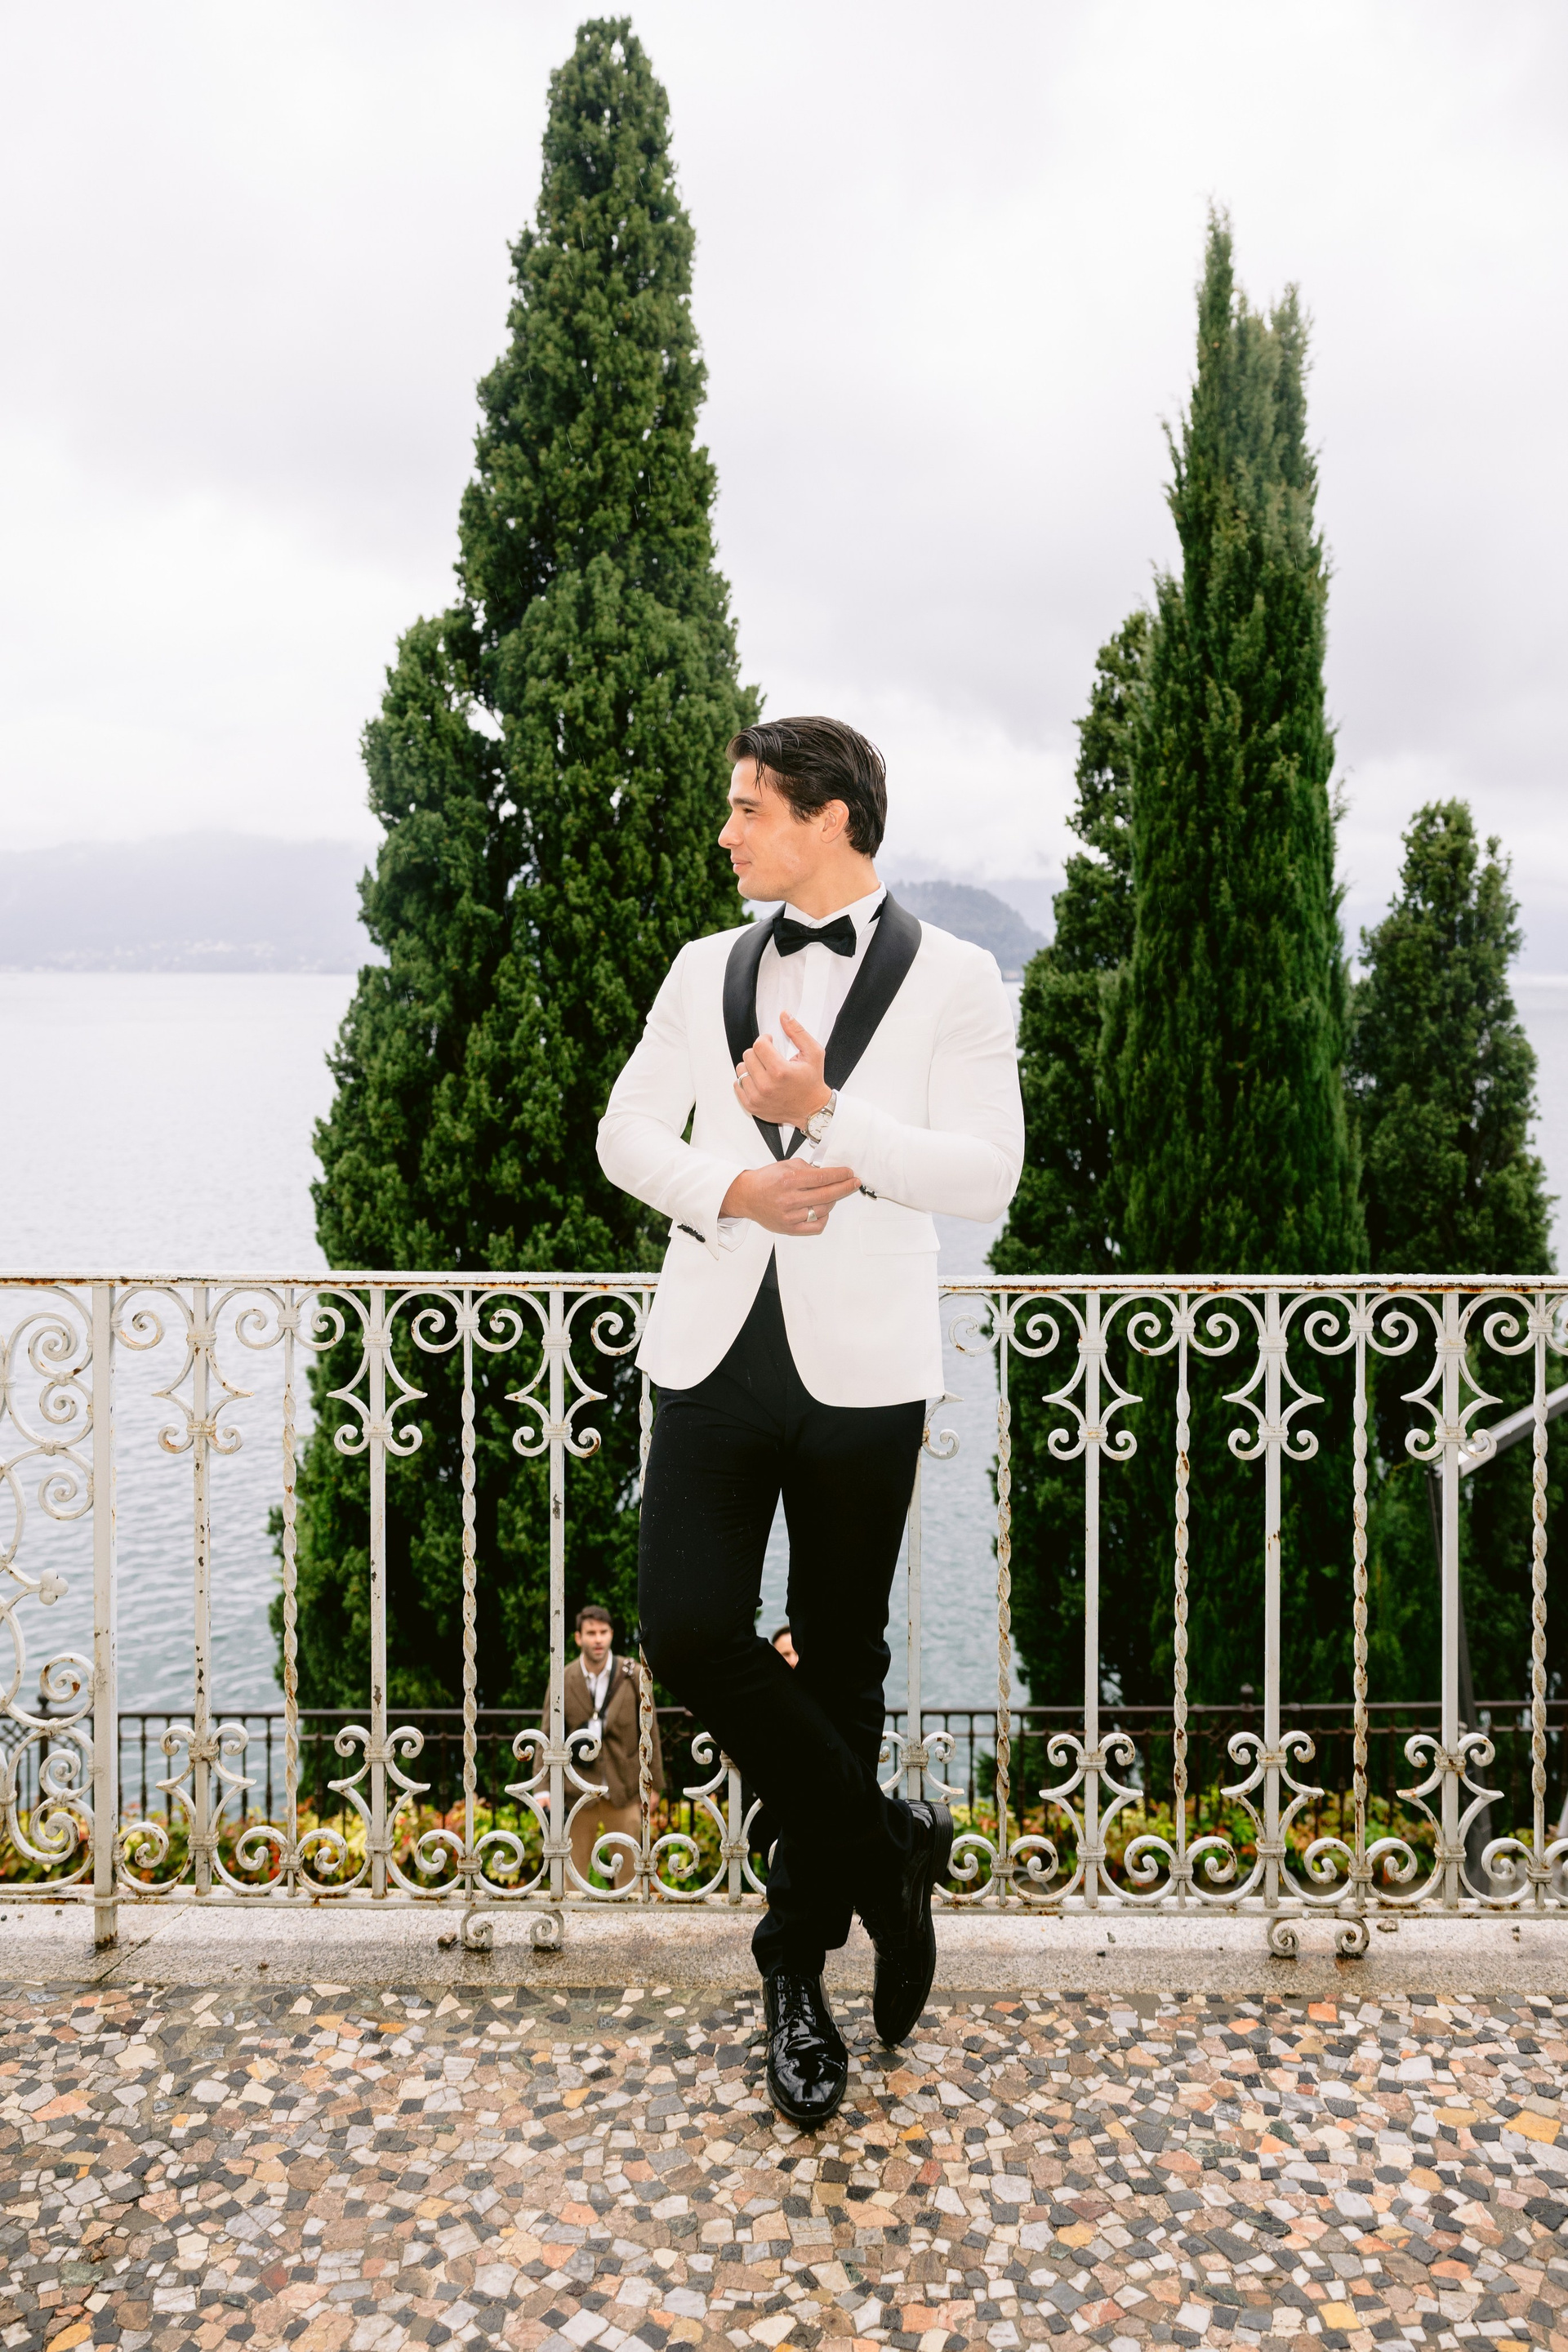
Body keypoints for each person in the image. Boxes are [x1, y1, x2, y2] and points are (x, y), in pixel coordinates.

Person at [597, 715, 1022, 2125]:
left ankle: (793, 1970)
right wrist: (735, 1188)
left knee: (841, 1660)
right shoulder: (699, 968)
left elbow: (987, 1176)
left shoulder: (959, 978)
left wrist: (827, 1115)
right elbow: (623, 1135)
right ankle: (888, 1847)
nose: (727, 832)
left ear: (829, 817)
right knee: (687, 1629)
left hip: (867, 1371)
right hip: (713, 1352)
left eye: (749, 809)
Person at [553, 1602, 664, 1887]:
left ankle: (629, 1918)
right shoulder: (563, 1677)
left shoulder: (633, 1674)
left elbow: (650, 1733)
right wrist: (544, 1791)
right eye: (591, 1633)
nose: (598, 1639)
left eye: (603, 1632)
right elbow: (548, 1733)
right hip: (578, 1792)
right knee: (572, 1877)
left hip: (624, 1789)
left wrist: (653, 1785)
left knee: (630, 1876)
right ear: (578, 1638)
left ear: (612, 1634)